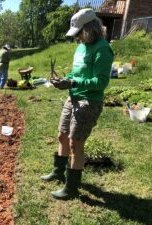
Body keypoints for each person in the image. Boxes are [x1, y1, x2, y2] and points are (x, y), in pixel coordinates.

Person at [41, 8, 114, 200]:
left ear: (90, 28)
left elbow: (101, 82)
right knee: (62, 136)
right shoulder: (81, 47)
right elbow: (77, 74)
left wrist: (74, 83)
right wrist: (66, 79)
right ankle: (58, 172)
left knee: (76, 143)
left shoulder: (102, 49)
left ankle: (71, 188)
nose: (78, 38)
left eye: (80, 33)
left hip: (88, 101)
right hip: (72, 97)